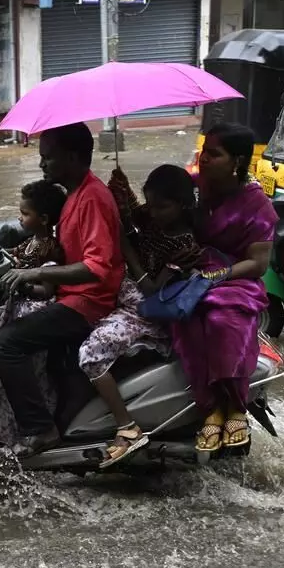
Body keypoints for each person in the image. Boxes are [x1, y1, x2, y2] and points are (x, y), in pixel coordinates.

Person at [0, 122, 124, 457]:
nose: (41, 165)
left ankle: (40, 429)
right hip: (71, 296)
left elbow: (96, 266)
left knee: (7, 342)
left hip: (89, 303)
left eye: (48, 158)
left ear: (73, 157)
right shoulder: (74, 196)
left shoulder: (92, 197)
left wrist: (34, 271)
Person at [82, 164, 203, 468]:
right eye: (151, 204)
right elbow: (131, 215)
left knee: (90, 355)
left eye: (163, 206)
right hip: (118, 295)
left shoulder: (184, 243)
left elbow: (151, 288)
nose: (154, 211)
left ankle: (126, 427)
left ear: (183, 205)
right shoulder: (150, 217)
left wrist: (127, 250)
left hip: (144, 312)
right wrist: (122, 193)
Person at [174, 123, 276, 452]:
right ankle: (211, 409)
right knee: (185, 314)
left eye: (214, 154)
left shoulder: (257, 204)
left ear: (237, 161)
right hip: (191, 275)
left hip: (235, 279)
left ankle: (234, 407)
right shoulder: (190, 190)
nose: (204, 160)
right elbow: (158, 212)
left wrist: (217, 277)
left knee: (220, 318)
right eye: (204, 152)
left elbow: (257, 263)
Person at [0, 179, 68, 446]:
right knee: (3, 377)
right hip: (15, 309)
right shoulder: (32, 241)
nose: (20, 218)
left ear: (44, 218)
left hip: (32, 313)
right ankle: (3, 436)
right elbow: (12, 255)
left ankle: (29, 432)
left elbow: (46, 290)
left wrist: (23, 283)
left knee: (30, 375)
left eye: (25, 214)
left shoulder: (52, 248)